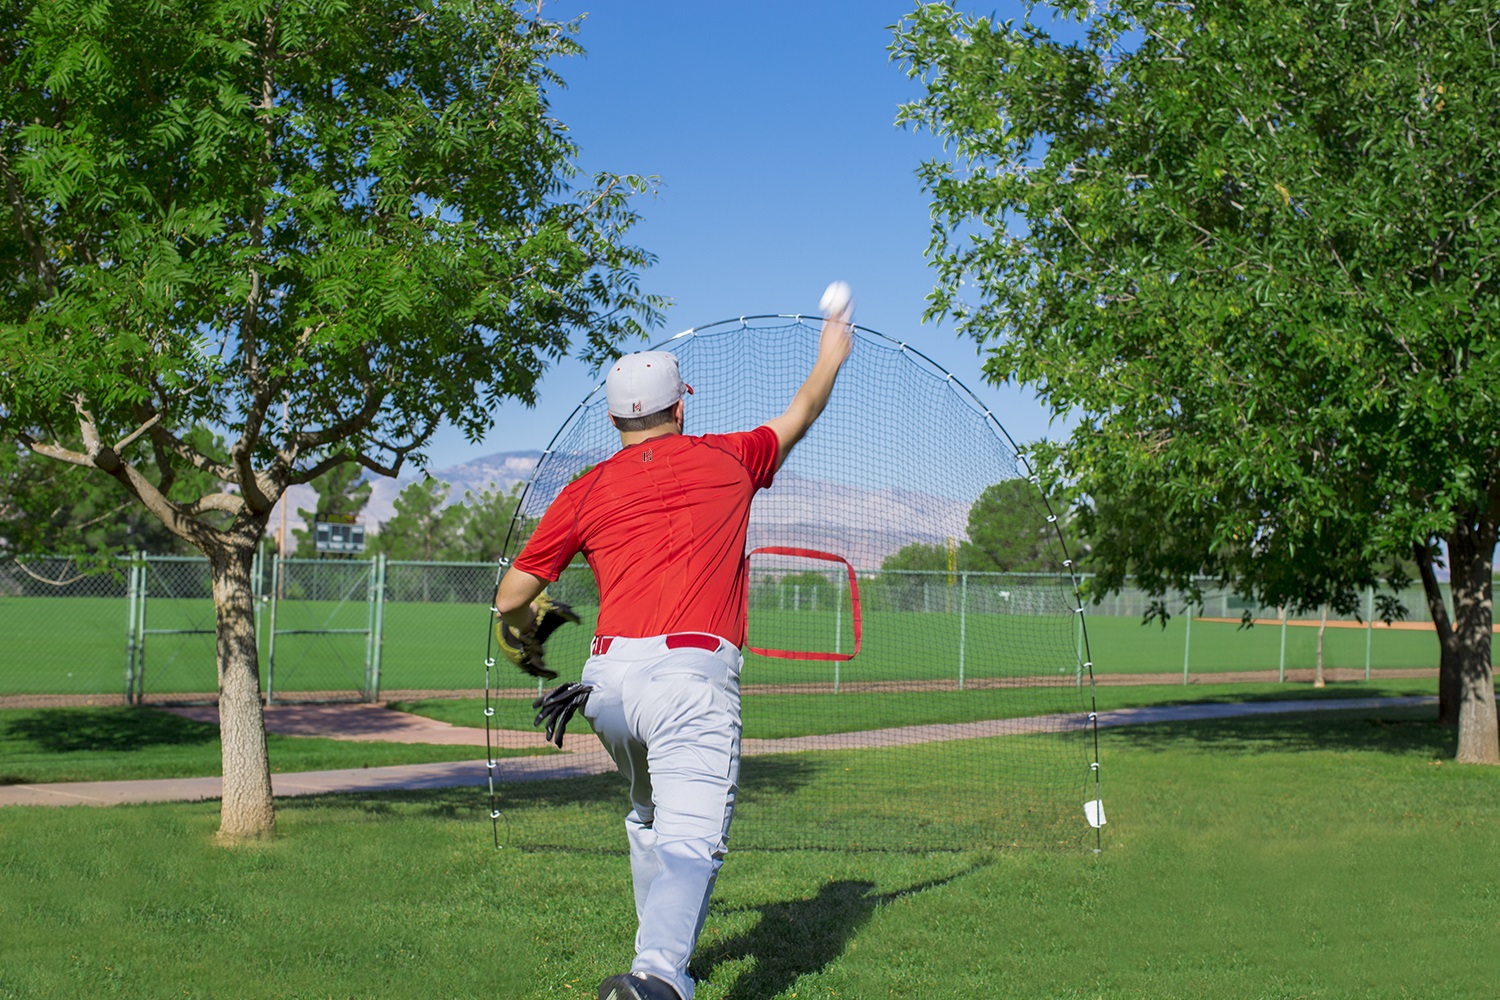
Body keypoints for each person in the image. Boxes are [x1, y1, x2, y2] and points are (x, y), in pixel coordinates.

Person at [493, 302, 854, 1000]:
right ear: (680, 408)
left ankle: (655, 964)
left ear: (614, 420)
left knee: (650, 817)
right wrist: (830, 355)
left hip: (604, 686)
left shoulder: (584, 489)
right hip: (689, 679)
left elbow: (510, 596)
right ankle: (657, 975)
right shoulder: (731, 456)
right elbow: (802, 411)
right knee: (691, 841)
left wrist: (528, 625)